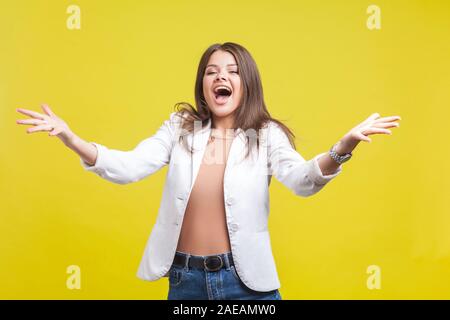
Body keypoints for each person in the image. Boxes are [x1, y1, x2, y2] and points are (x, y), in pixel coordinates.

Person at [15, 42, 401, 300]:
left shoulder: (266, 135)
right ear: (202, 84)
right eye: (211, 71)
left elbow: (302, 181)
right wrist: (73, 140)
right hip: (185, 281)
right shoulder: (179, 128)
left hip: (245, 283)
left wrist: (342, 147)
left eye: (232, 71)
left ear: (246, 83)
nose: (221, 77)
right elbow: (130, 166)